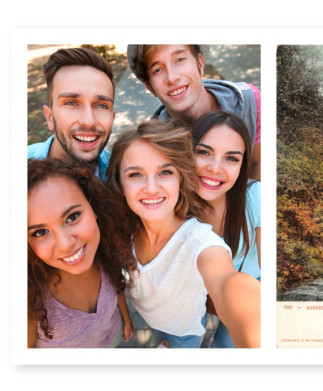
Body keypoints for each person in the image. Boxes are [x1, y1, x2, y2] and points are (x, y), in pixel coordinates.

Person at [105, 120, 260, 348]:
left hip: (185, 333)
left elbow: (226, 281)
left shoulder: (199, 241)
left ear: (181, 177)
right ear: (120, 182)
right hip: (153, 321)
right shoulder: (122, 229)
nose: (151, 188)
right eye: (136, 174)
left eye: (165, 172)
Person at [27, 158, 135, 348]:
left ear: (93, 208)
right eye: (40, 232)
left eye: (73, 217)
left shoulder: (103, 252)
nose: (65, 244)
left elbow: (117, 288)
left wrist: (126, 318)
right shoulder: (29, 302)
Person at [126, 44, 261, 180]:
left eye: (179, 60)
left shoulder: (249, 102)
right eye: (157, 70)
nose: (172, 78)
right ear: (150, 88)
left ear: (200, 63)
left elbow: (258, 166)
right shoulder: (154, 144)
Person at [191, 111, 260, 348]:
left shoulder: (256, 197)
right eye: (204, 152)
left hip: (250, 289)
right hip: (196, 294)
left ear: (242, 165)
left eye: (231, 158)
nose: (215, 168)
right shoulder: (171, 203)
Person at [27, 47, 116, 181]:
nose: (89, 121)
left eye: (102, 105)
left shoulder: (121, 175)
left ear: (112, 118)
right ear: (49, 117)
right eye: (71, 103)